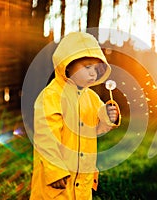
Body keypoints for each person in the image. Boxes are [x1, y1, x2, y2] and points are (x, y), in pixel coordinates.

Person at [30, 32, 121, 200]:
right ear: (67, 64)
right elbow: (46, 137)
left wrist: (109, 116)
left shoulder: (91, 97)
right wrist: (55, 170)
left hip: (82, 178)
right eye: (87, 67)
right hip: (58, 180)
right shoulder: (52, 95)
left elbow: (98, 127)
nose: (93, 74)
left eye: (96, 69)